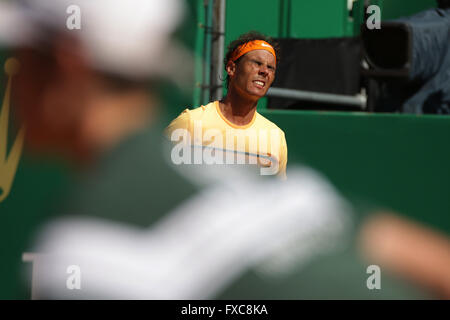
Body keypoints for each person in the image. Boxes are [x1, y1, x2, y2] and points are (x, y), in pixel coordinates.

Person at [166, 31, 288, 178]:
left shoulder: (275, 136)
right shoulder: (189, 123)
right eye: (256, 63)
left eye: (270, 68)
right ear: (231, 68)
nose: (264, 71)